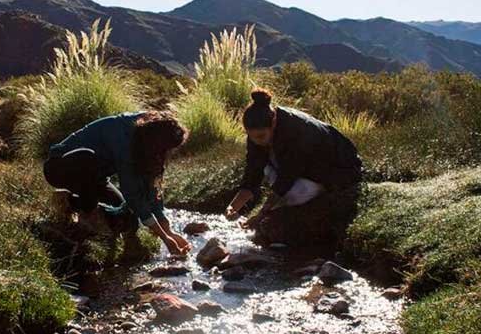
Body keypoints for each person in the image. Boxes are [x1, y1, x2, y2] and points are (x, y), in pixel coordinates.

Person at [225, 89, 363, 248]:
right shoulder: (258, 133)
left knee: (293, 195)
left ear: (274, 123)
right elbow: (253, 173)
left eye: (261, 136)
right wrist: (232, 207)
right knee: (267, 172)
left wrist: (261, 215)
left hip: (339, 169)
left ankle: (316, 197)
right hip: (302, 168)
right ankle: (289, 201)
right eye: (252, 137)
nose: (257, 142)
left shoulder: (298, 131)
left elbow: (287, 177)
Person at [43, 111, 193, 256]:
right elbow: (132, 194)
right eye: (167, 149)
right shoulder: (124, 137)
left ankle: (69, 202)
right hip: (58, 168)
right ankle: (86, 218)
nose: (168, 154)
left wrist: (169, 232)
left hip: (97, 179)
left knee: (127, 216)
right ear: (157, 143)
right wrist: (165, 238)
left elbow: (152, 190)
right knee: (87, 158)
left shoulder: (149, 135)